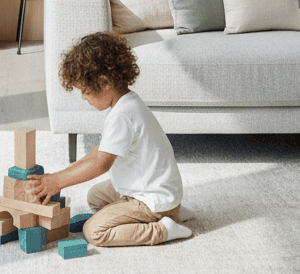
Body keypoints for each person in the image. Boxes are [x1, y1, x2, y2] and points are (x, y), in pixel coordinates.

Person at [25, 31, 191, 247]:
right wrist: (58, 175)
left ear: (104, 83)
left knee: (93, 232)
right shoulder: (126, 104)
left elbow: (101, 164)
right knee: (95, 196)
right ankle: (167, 212)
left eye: (84, 91)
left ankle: (162, 229)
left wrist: (57, 182)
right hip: (153, 189)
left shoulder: (122, 115)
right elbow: (101, 151)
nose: (83, 97)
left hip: (151, 199)